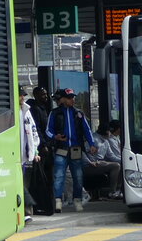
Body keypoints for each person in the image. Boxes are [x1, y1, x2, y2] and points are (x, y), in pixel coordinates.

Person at [45, 88, 97, 213]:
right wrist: (55, 137)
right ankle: (58, 201)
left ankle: (77, 200)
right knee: (59, 176)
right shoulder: (55, 113)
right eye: (69, 98)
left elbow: (87, 130)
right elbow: (48, 130)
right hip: (61, 148)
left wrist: (92, 144)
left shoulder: (78, 113)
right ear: (63, 99)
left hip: (75, 148)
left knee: (78, 176)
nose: (72, 100)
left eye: (73, 97)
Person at [19, 86, 41, 221]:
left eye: (23, 95)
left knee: (24, 184)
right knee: (20, 184)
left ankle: (26, 211)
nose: (23, 98)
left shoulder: (26, 111)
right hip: (15, 156)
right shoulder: (12, 112)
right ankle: (26, 210)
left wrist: (35, 151)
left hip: (26, 156)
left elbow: (33, 132)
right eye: (20, 95)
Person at [88, 119, 124, 199]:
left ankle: (118, 190)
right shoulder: (93, 140)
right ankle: (112, 191)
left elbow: (111, 156)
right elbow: (86, 153)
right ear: (106, 132)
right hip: (92, 164)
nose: (111, 134)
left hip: (100, 163)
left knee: (120, 164)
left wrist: (124, 160)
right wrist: (90, 161)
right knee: (116, 166)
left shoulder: (106, 141)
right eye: (109, 132)